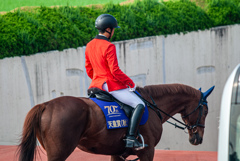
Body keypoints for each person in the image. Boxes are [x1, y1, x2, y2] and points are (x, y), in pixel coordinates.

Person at [85, 14, 148, 150]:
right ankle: (131, 138)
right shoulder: (109, 46)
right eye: (113, 29)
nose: (114, 31)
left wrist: (97, 79)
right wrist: (130, 83)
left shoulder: (89, 45)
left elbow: (89, 69)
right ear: (108, 30)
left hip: (95, 85)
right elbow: (115, 71)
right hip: (109, 85)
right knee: (139, 103)